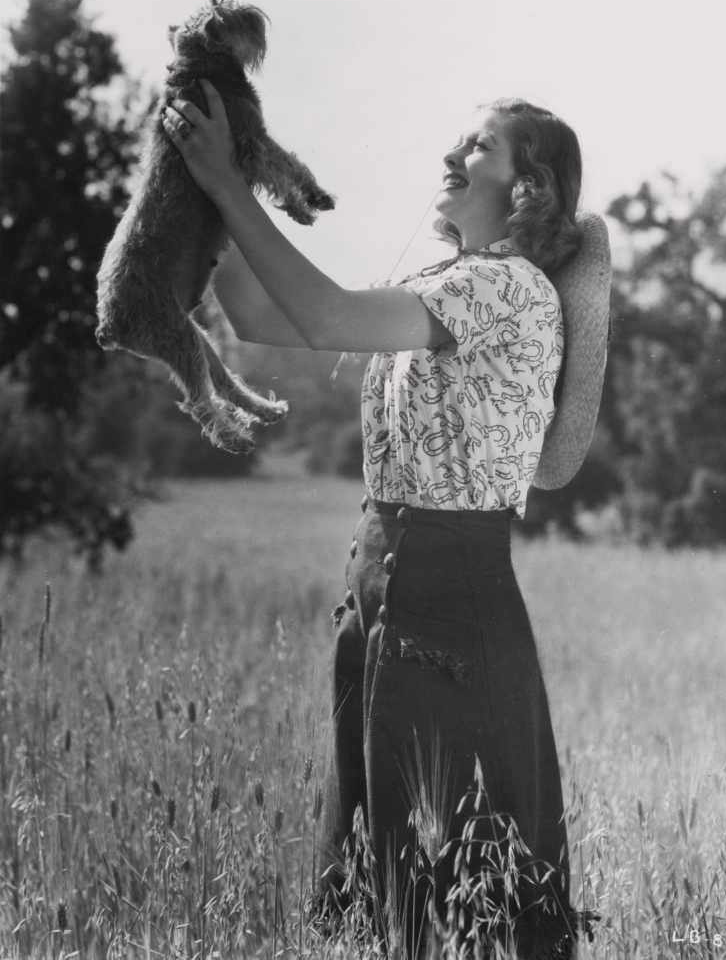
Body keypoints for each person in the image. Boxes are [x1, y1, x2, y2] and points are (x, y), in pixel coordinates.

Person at [162, 86, 610, 958]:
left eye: (479, 145)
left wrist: (227, 186)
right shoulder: (444, 284)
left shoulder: (508, 290)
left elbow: (324, 312)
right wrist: (189, 183)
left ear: (531, 186)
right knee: (388, 891)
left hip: (449, 600)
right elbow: (259, 313)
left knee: (451, 901)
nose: (452, 154)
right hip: (381, 595)